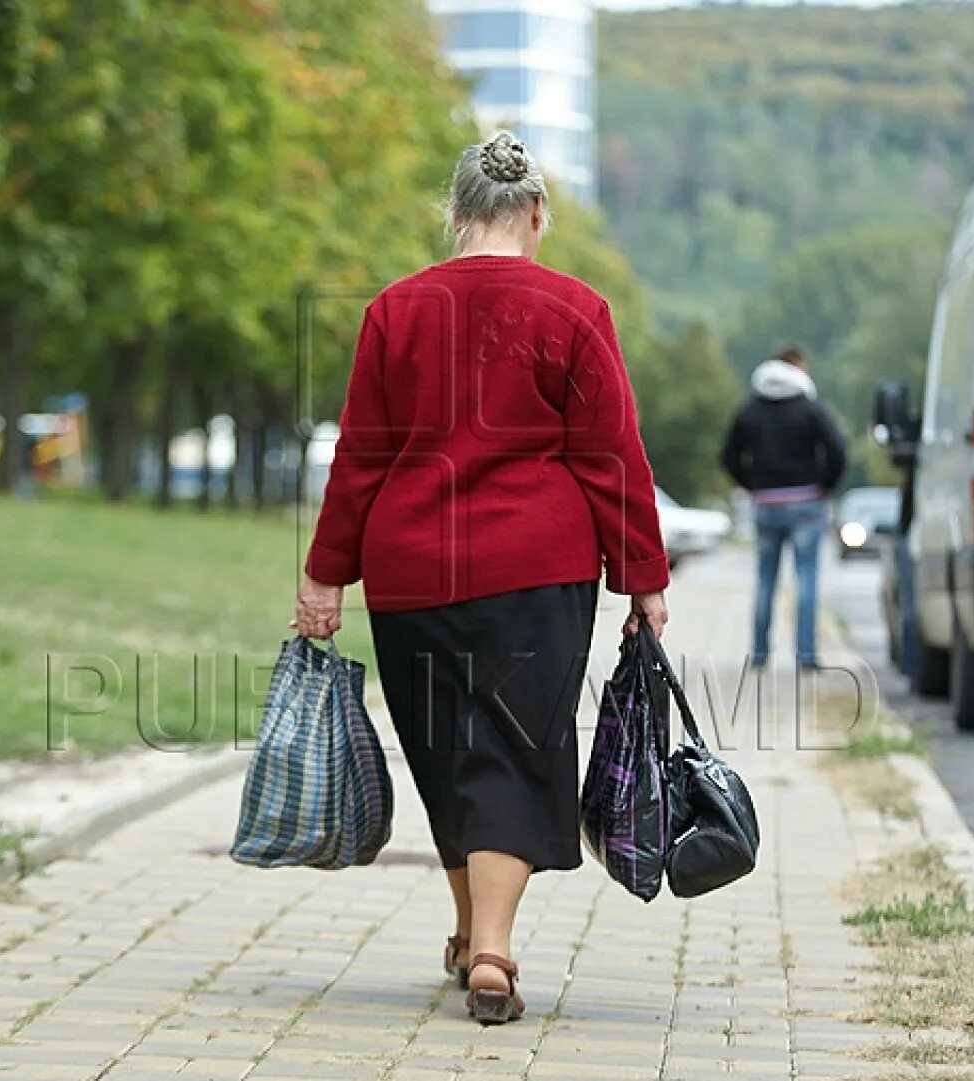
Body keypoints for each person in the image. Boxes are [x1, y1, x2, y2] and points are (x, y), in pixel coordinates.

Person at [291, 131, 670, 1026]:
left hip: (411, 567)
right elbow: (613, 453)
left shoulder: (394, 309)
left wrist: (324, 575)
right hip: (537, 569)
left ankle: (471, 936)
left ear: (454, 215)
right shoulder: (577, 308)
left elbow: (359, 459)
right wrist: (643, 577)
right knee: (512, 747)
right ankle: (493, 948)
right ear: (537, 214)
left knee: (445, 750)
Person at [720, 345, 847, 667]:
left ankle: (760, 654)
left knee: (765, 580)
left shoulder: (749, 409)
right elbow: (837, 450)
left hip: (766, 503)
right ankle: (806, 656)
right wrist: (825, 485)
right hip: (806, 500)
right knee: (806, 579)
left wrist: (753, 485)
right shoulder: (810, 408)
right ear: (798, 369)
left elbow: (728, 456)